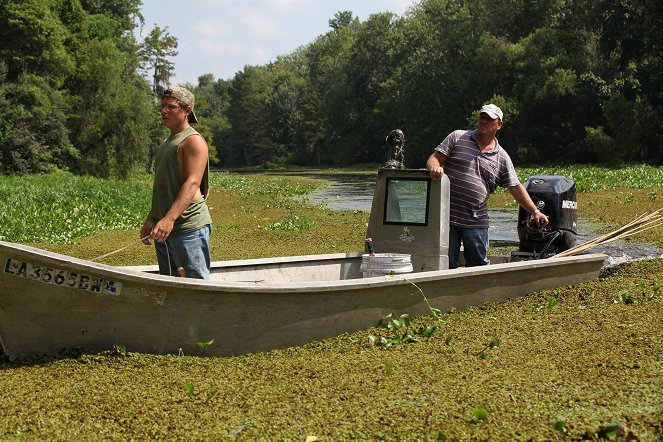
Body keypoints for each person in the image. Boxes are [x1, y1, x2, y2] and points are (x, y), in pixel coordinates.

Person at [426, 103, 548, 269]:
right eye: (482, 117)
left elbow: (515, 187)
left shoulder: (502, 157)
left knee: (478, 266)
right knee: (445, 264)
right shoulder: (457, 137)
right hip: (447, 218)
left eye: (489, 119)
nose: (483, 121)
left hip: (476, 220)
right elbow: (434, 158)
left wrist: (535, 211)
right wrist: (434, 167)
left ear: (499, 124)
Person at [141, 86, 213, 279]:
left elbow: (192, 183)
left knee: (196, 287)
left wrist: (169, 219)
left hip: (188, 228)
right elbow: (165, 186)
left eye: (170, 107)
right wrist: (152, 219)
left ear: (187, 110)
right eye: (162, 106)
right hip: (165, 229)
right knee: (171, 285)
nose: (164, 111)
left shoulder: (192, 141)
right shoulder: (168, 142)